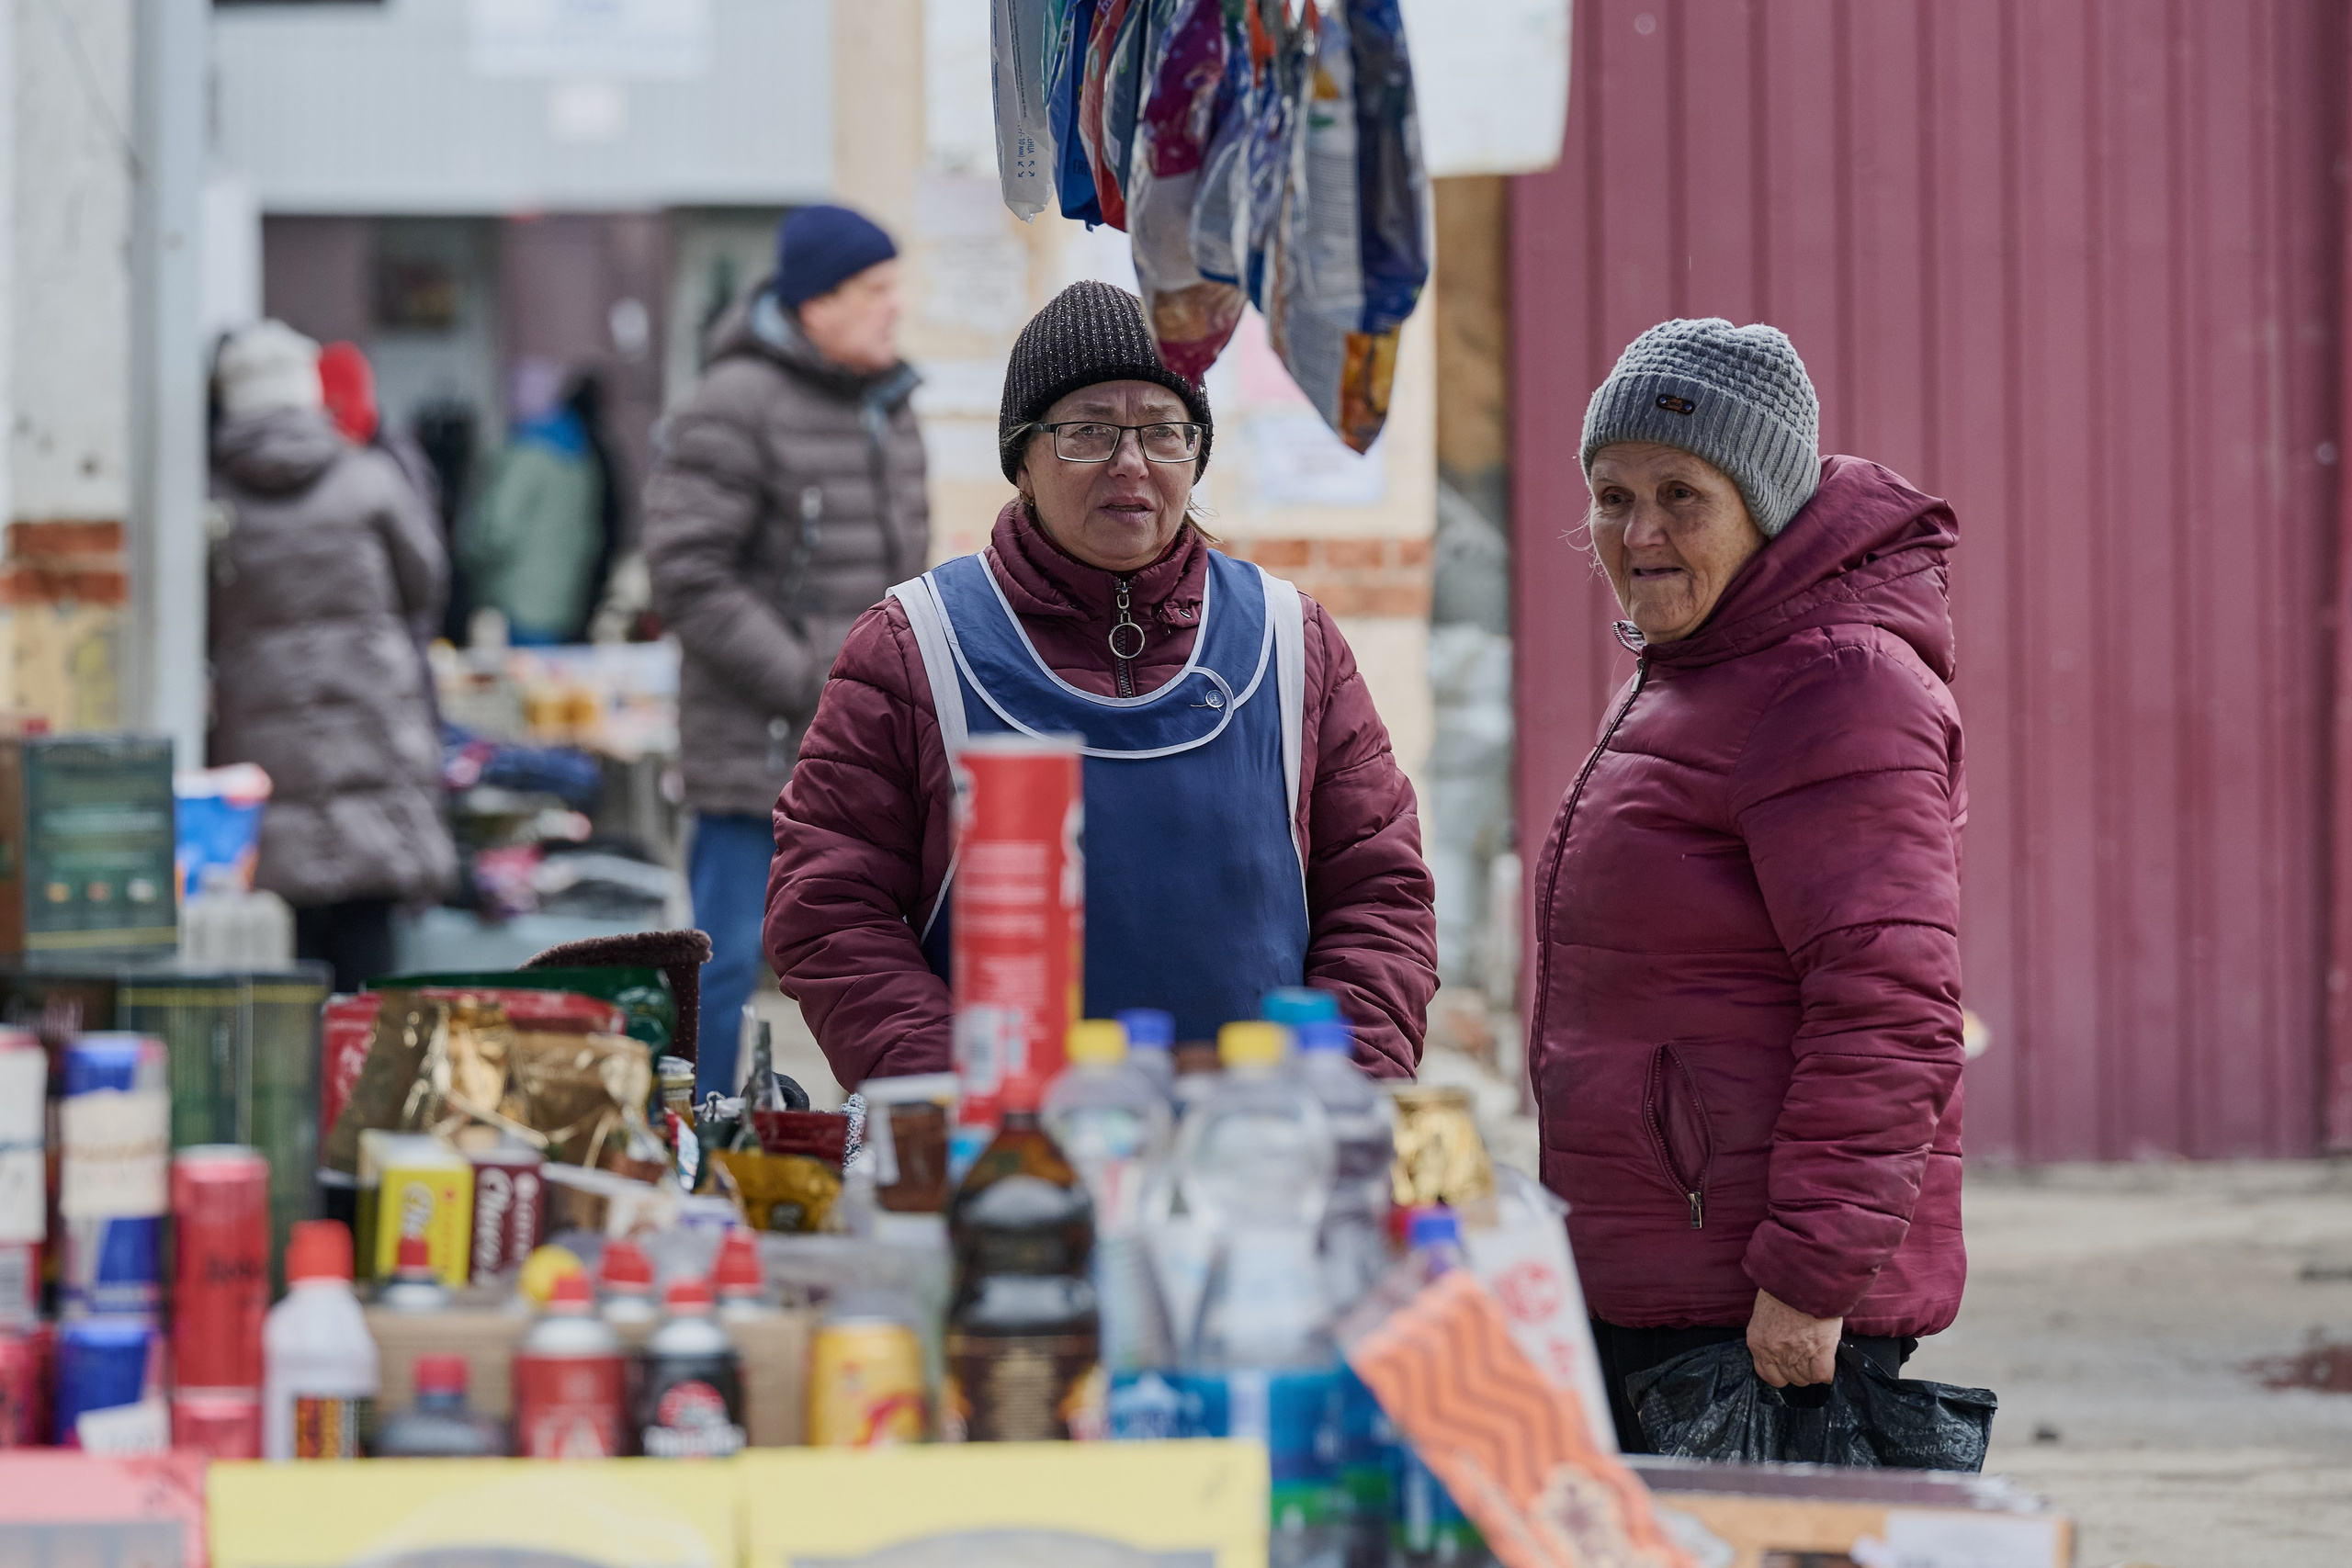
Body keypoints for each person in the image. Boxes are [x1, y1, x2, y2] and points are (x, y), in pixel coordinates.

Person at [764, 281, 1436, 1089]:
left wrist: (1336, 1096)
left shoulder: (1292, 643)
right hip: (1001, 1159)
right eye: (1087, 431)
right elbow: (829, 909)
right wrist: (955, 1093)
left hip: (1257, 1152)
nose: (1130, 463)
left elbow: (1380, 898)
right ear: (1023, 459)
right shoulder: (916, 646)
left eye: (1163, 432)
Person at [1528, 318, 1966, 1454]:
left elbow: (1891, 1005)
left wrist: (1810, 1275)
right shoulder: (1703, 672)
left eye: (1682, 495)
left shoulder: (1837, 684)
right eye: (1612, 495)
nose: (1640, 532)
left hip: (1753, 1304)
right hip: (1668, 1272)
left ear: (1763, 509)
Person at [642, 203, 926, 1099]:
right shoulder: (733, 406)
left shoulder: (891, 404)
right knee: (723, 965)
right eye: (875, 290)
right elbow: (686, 576)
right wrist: (817, 680)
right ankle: (698, 1150)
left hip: (876, 748)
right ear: (816, 303)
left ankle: (890, 1144)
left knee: (887, 959)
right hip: (756, 748)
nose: (895, 307)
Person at [208, 321, 458, 990]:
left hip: (265, 769)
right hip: (370, 752)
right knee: (372, 985)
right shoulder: (370, 480)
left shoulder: (213, 499)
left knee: (287, 980)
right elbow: (426, 583)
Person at [460, 357, 604, 645]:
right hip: (566, 596)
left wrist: (466, 552)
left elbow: (497, 530)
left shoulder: (525, 455)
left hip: (519, 598)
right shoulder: (580, 454)